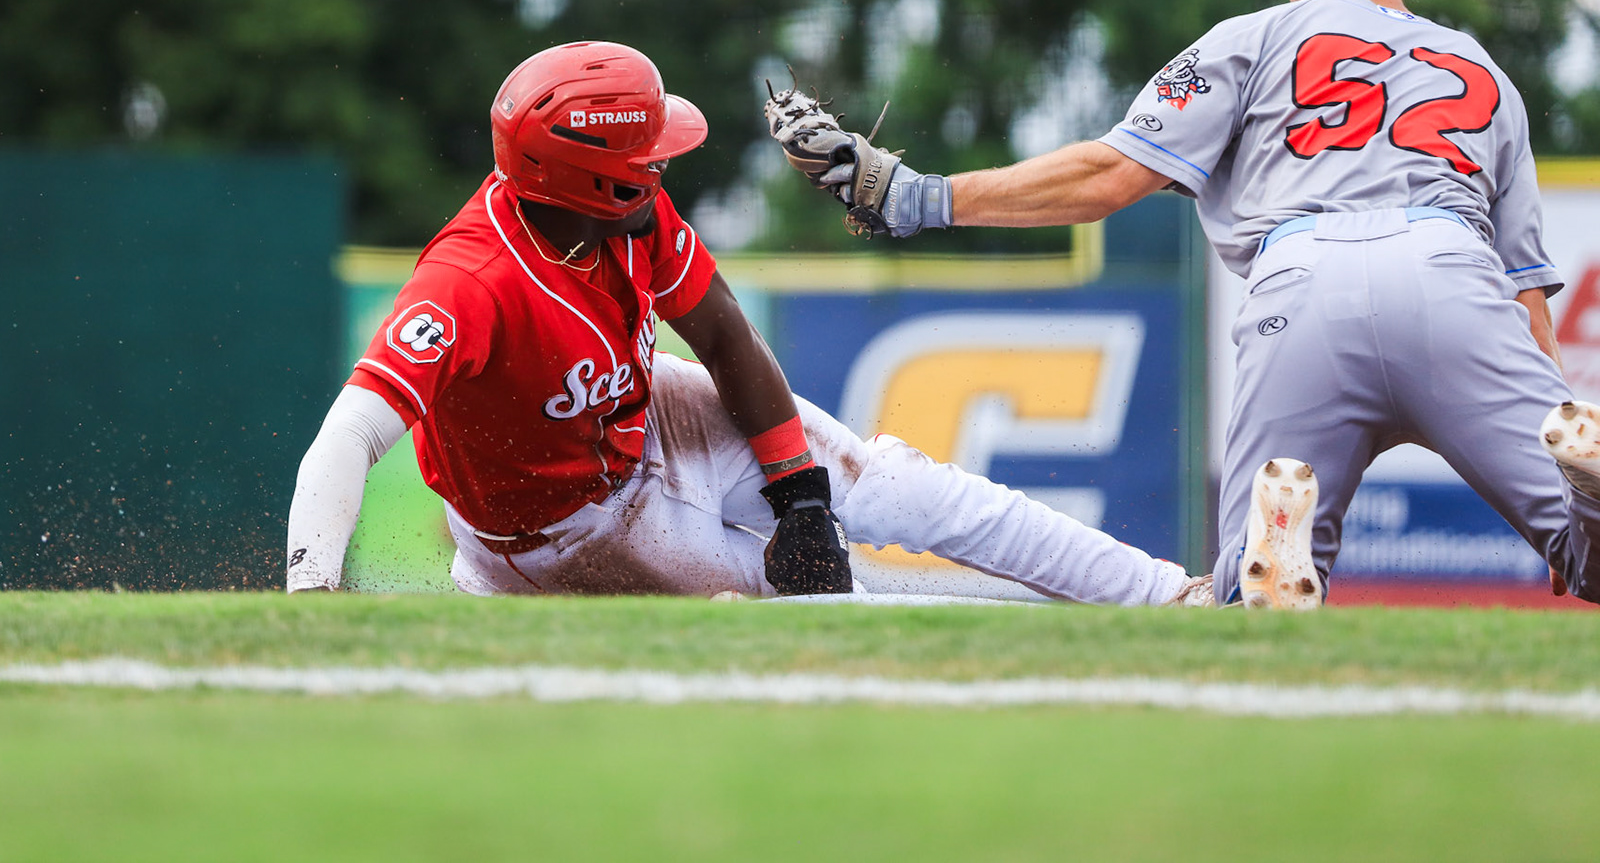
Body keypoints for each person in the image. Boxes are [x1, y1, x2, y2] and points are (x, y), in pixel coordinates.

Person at [767, 0, 1600, 609]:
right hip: (1451, 274)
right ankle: (1587, 497)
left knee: (1248, 600)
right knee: (1590, 556)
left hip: (1303, 283)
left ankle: (1269, 550)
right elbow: (1527, 296)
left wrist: (915, 196)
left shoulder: (1256, 37)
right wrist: (1563, 477)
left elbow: (1109, 176)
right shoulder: (1484, 74)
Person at [286, 40, 1210, 604]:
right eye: (645, 153)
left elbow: (725, 337)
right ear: (589, 178)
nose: (662, 163)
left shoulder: (627, 215)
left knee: (896, 486)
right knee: (837, 603)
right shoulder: (471, 280)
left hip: (644, 416)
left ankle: (1172, 596)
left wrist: (798, 491)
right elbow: (350, 434)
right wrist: (312, 595)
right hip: (555, 535)